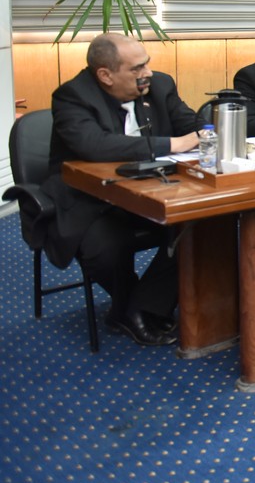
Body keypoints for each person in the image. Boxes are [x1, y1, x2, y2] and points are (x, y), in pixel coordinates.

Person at [42, 34, 205, 346]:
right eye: (137, 68)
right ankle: (132, 308)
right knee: (105, 248)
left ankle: (141, 307)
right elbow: (94, 145)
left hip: (153, 191)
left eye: (147, 64)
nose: (147, 73)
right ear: (106, 75)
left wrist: (209, 126)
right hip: (90, 199)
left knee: (199, 224)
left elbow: (191, 124)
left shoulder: (159, 85)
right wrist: (173, 144)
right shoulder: (72, 96)